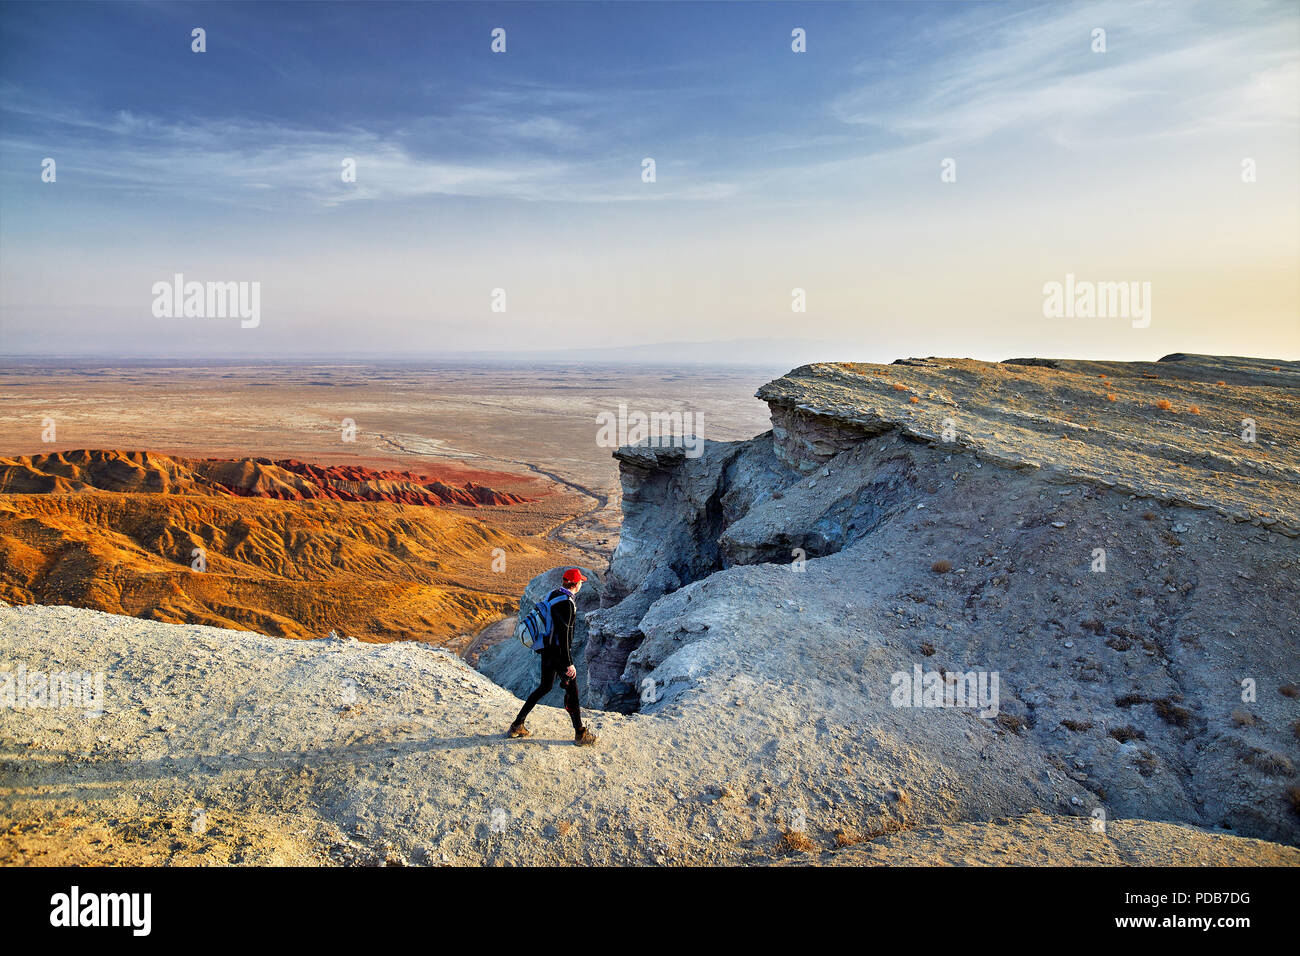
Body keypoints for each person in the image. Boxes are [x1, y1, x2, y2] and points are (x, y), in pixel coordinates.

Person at [507, 569, 598, 746]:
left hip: (546, 650)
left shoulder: (553, 594)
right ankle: (580, 733)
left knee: (544, 686)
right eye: (580, 581)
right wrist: (569, 663)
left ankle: (517, 724)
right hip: (558, 654)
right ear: (574, 583)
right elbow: (564, 636)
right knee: (573, 691)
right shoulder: (567, 604)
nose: (582, 584)